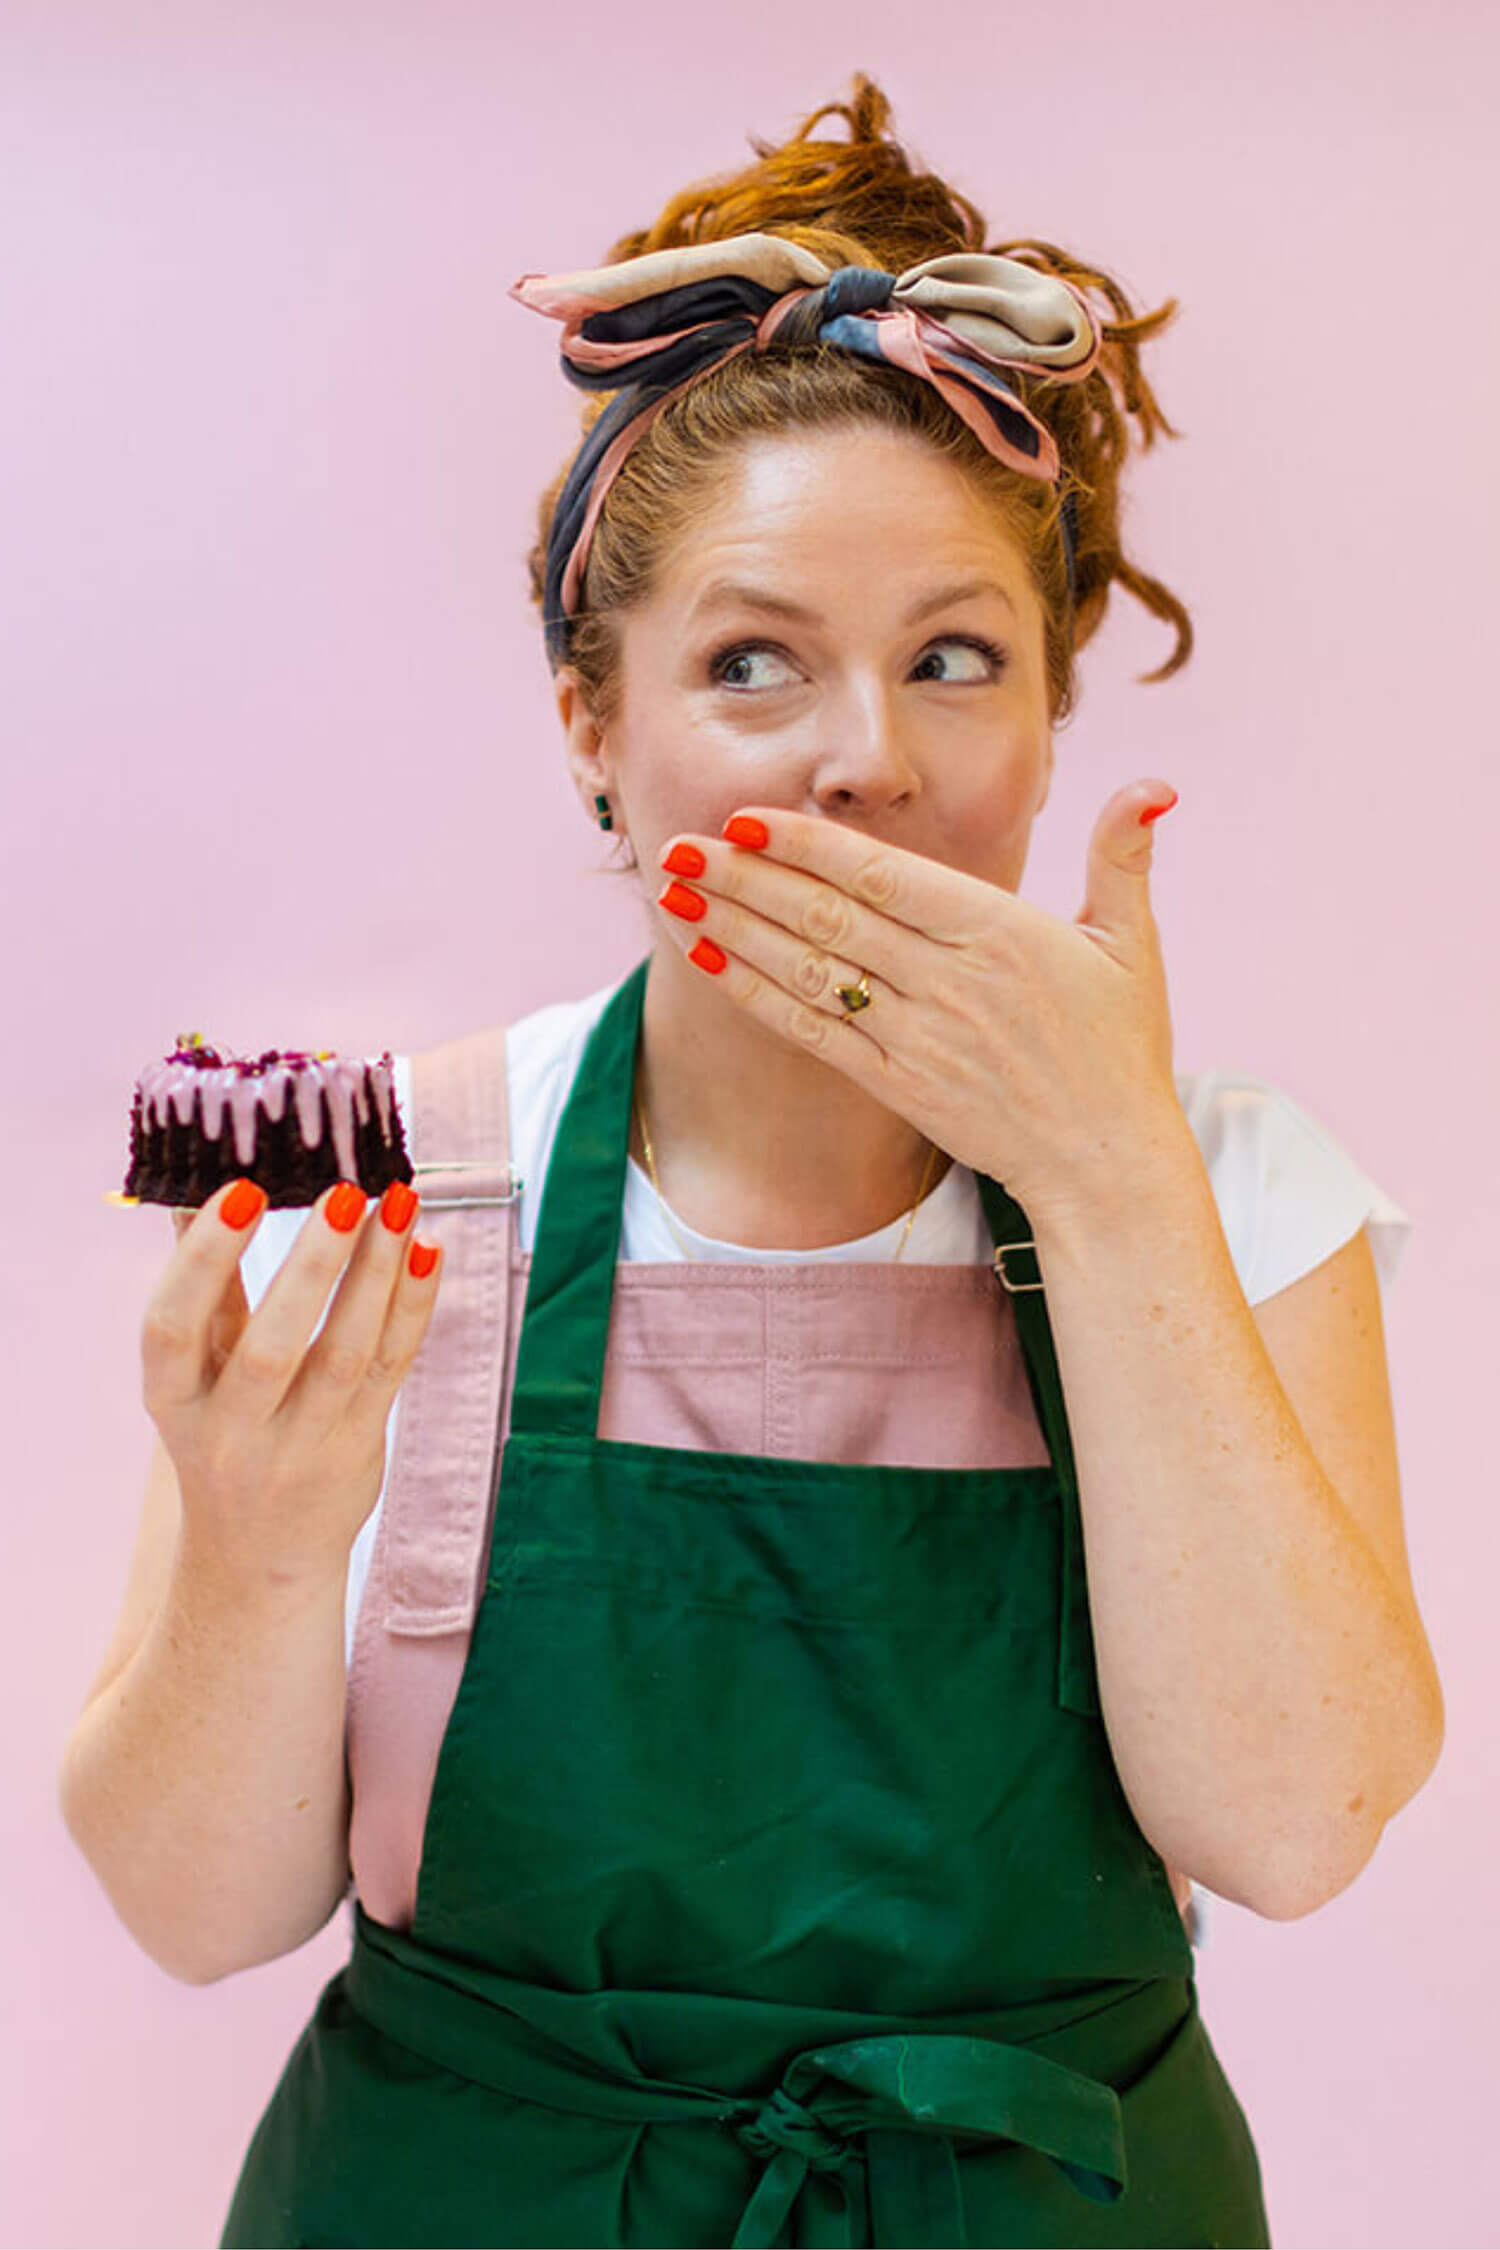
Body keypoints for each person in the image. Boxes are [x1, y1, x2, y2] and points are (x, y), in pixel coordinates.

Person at [63, 73, 1443, 2250]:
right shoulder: (400, 1186)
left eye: (956, 660)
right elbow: (192, 1911)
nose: (867, 759)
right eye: (752, 662)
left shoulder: (1233, 1197)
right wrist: (250, 1550)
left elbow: (1291, 1825)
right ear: (593, 724)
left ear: (1053, 712)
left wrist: (1104, 1181)